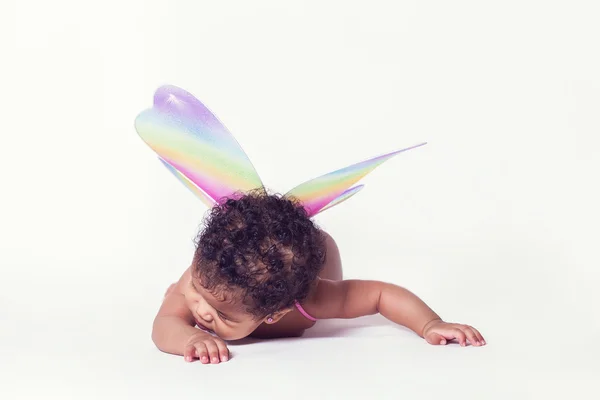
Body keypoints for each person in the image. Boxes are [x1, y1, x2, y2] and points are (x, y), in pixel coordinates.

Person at [151, 189, 486, 364]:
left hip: (315, 260)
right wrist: (189, 338)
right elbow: (163, 325)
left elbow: (382, 295)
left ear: (275, 315)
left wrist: (430, 324)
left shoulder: (313, 300)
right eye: (196, 287)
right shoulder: (210, 277)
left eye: (221, 315)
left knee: (296, 254)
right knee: (181, 293)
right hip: (259, 264)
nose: (200, 311)